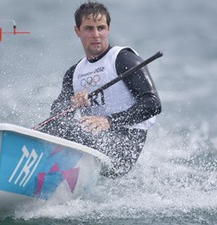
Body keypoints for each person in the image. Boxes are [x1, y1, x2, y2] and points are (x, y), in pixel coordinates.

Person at [41, 1, 162, 178]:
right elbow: (57, 114)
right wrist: (72, 103)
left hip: (124, 147)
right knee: (56, 127)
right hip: (91, 140)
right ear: (78, 31)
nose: (96, 35)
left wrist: (109, 121)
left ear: (108, 29)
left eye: (101, 28)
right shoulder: (74, 73)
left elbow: (153, 104)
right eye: (89, 28)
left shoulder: (123, 59)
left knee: (68, 130)